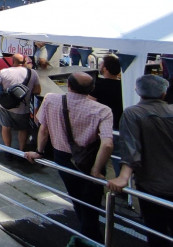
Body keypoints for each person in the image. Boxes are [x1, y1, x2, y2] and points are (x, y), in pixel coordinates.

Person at [24, 72, 113, 244]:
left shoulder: (51, 99)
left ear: (68, 86)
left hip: (62, 157)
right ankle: (90, 238)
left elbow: (42, 129)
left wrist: (39, 151)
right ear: (91, 89)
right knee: (91, 201)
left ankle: (88, 237)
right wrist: (96, 168)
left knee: (76, 197)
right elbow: (108, 144)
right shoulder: (102, 110)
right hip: (90, 160)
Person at [108, 75, 173, 247]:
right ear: (164, 94)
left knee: (156, 232)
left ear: (137, 91)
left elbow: (131, 148)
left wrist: (123, 177)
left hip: (153, 186)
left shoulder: (133, 113)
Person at [0, 54, 40, 151]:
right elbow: (37, 90)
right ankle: (21, 150)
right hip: (23, 108)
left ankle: (8, 149)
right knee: (23, 129)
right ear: (24, 61)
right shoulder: (32, 73)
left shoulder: (4, 72)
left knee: (6, 127)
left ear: (12, 61)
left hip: (6, 106)